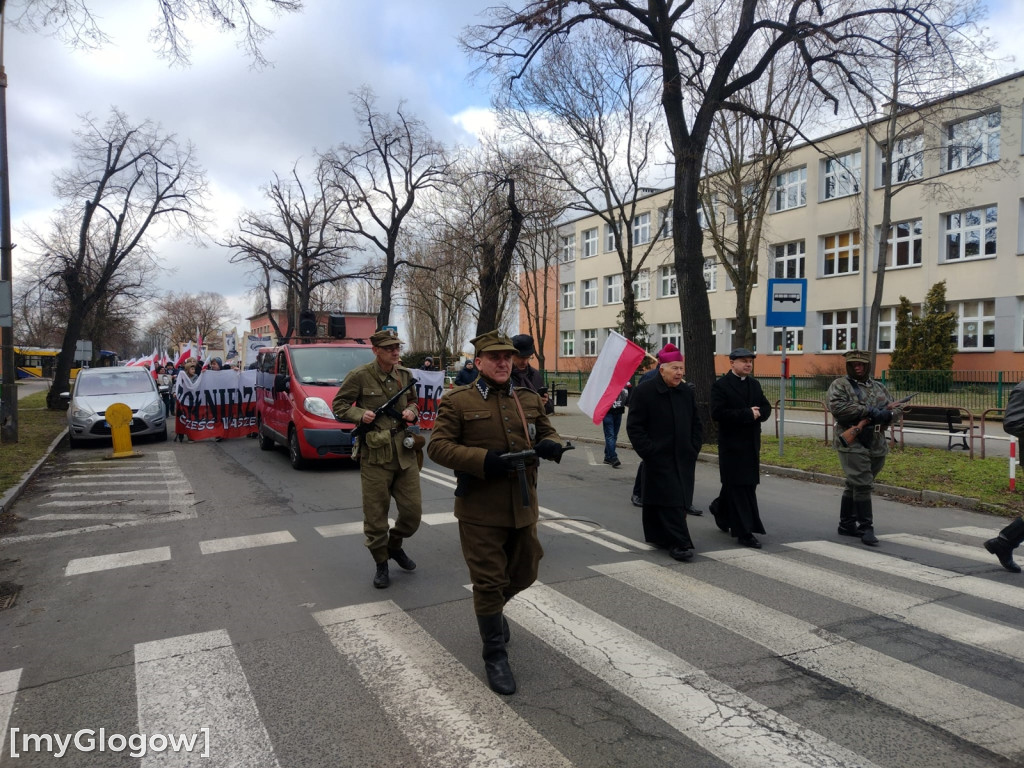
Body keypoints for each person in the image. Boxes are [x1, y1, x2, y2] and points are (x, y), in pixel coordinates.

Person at [427, 330, 567, 695]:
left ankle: (493, 610)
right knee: (489, 582)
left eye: (507, 356)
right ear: (479, 363)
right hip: (480, 507)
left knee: (525, 571)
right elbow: (438, 447)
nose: (503, 362)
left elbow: (544, 431)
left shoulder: (528, 398)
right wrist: (483, 461)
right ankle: (494, 654)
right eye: (495, 357)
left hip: (523, 503)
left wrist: (550, 445)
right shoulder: (458, 400)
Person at [332, 329, 422, 589]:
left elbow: (415, 401)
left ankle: (394, 546)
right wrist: (360, 414)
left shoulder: (404, 375)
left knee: (412, 514)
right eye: (389, 348)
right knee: (375, 517)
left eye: (397, 347)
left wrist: (411, 411)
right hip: (375, 456)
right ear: (376, 350)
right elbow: (339, 405)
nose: (395, 352)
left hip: (404, 454)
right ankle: (381, 562)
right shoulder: (360, 375)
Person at [626, 347, 703, 562]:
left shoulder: (686, 391)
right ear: (662, 369)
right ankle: (680, 543)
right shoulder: (645, 391)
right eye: (675, 368)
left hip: (684, 455)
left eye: (681, 369)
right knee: (672, 500)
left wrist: (694, 446)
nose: (679, 373)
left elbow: (696, 422)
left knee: (669, 498)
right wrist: (649, 452)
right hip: (658, 456)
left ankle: (659, 535)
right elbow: (635, 427)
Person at [826, 348, 905, 545]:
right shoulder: (840, 385)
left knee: (855, 483)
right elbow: (838, 408)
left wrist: (888, 415)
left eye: (861, 364)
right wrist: (868, 411)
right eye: (853, 364)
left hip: (877, 440)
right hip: (853, 437)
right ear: (848, 365)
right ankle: (866, 526)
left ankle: (846, 523)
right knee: (862, 482)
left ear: (868, 366)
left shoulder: (878, 387)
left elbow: (897, 408)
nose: (858, 367)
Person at [709, 348, 772, 548]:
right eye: (744, 361)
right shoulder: (721, 386)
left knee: (747, 484)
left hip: (751, 443)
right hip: (731, 445)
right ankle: (745, 532)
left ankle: (719, 507)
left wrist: (758, 414)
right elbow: (717, 413)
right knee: (739, 486)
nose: (748, 365)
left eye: (750, 361)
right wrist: (746, 414)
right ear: (732, 363)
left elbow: (766, 407)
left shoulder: (754, 384)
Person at [510, 334, 553, 415]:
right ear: (511, 355)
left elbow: (548, 409)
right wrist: (533, 403)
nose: (525, 362)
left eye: (528, 357)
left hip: (534, 425)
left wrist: (546, 402)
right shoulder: (504, 376)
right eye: (521, 358)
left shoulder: (535, 375)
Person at [602, 383, 629, 468]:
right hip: (608, 412)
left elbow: (627, 395)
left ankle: (607, 456)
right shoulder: (605, 381)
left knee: (614, 435)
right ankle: (613, 457)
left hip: (618, 412)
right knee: (610, 435)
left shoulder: (624, 381)